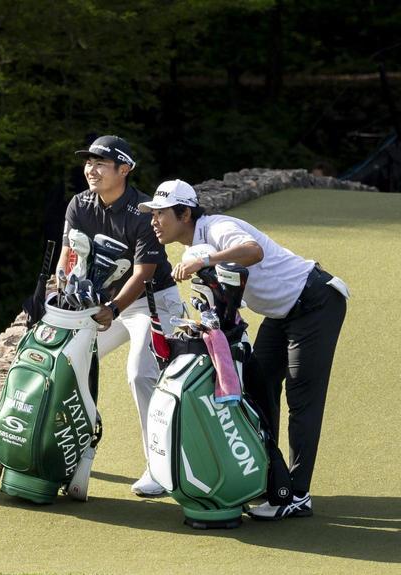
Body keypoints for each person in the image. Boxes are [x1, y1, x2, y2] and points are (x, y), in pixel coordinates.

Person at [141, 179, 349, 520]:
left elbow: (253, 251)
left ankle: (296, 494)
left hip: (316, 301)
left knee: (302, 399)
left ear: (185, 213)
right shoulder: (194, 246)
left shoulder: (219, 227)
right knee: (256, 386)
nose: (154, 221)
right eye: (153, 214)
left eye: (161, 213)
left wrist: (207, 257)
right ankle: (270, 480)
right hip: (281, 313)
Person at [58, 135, 184, 497]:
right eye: (88, 163)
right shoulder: (79, 204)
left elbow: (143, 273)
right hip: (102, 305)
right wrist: (64, 288)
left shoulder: (144, 211)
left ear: (124, 169)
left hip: (151, 302)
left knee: (140, 373)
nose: (91, 170)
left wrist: (112, 310)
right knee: (68, 362)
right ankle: (67, 454)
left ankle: (159, 469)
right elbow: (68, 256)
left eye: (100, 163)